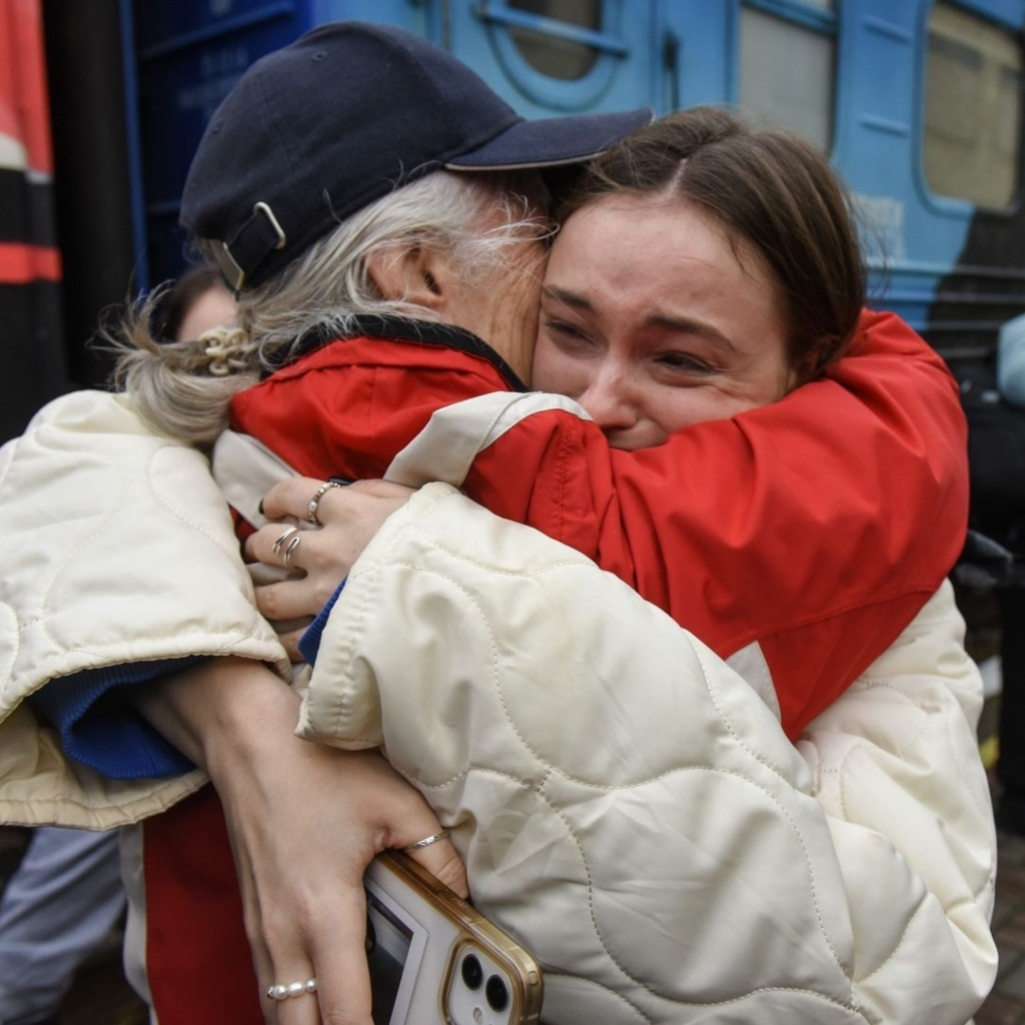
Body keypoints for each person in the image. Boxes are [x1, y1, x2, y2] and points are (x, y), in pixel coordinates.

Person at [0, 21, 991, 1025]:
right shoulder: (474, 441)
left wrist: (369, 608)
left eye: (681, 357)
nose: (597, 399)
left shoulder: (238, 426)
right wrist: (238, 718)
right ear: (421, 274)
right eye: (562, 316)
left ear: (803, 365)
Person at [0, 266, 238, 1025]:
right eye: (211, 358)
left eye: (259, 352)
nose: (237, 383)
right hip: (135, 739)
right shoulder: (115, 463)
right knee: (58, 895)